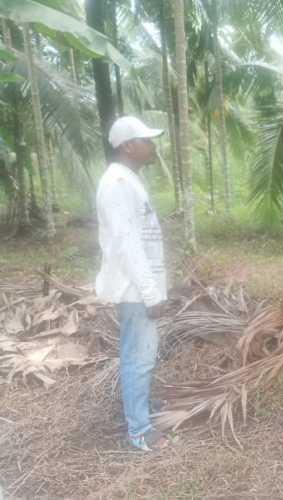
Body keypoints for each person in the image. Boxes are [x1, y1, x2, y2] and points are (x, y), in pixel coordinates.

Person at [95, 116, 169, 450]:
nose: (152, 145)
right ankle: (139, 430)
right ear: (128, 145)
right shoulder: (118, 184)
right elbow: (127, 243)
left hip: (140, 285)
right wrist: (152, 293)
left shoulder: (127, 179)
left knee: (138, 354)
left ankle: (138, 410)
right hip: (136, 289)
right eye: (146, 140)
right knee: (139, 356)